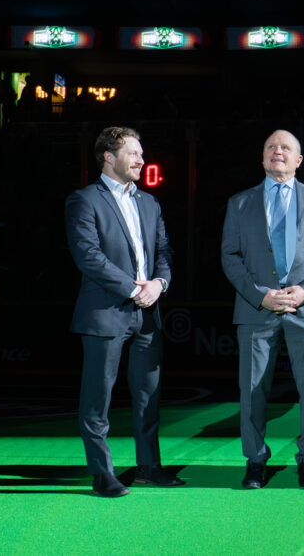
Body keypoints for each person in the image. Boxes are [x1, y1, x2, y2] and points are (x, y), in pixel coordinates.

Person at [65, 126, 183, 497]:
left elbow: (164, 252)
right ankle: (102, 473)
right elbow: (88, 256)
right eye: (133, 153)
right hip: (105, 313)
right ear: (108, 157)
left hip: (147, 313)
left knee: (149, 396)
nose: (141, 160)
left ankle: (149, 467)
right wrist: (135, 289)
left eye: (141, 153)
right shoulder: (84, 200)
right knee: (97, 398)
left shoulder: (149, 202)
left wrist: (159, 284)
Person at [221, 129, 304, 488]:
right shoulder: (239, 203)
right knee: (252, 388)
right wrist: (260, 295)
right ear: (262, 158)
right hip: (256, 309)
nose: (278, 151)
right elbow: (230, 256)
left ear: (298, 160)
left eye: (286, 147)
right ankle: (255, 461)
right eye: (271, 147)